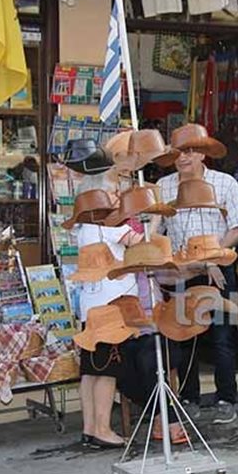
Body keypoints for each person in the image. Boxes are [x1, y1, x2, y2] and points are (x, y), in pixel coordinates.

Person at [156, 145, 238, 424]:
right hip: (182, 272)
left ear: (201, 153)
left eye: (188, 151)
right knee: (185, 335)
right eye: (177, 153)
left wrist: (211, 258)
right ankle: (189, 397)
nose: (182, 158)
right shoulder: (164, 186)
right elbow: (157, 231)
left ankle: (226, 397)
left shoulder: (224, 182)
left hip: (218, 270)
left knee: (222, 335)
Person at [73, 171, 143, 448]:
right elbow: (139, 242)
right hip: (112, 307)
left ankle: (90, 428)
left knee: (90, 370)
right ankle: (102, 428)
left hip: (91, 308)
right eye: (114, 192)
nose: (117, 197)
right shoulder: (110, 225)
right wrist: (147, 215)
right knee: (107, 371)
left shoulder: (84, 227)